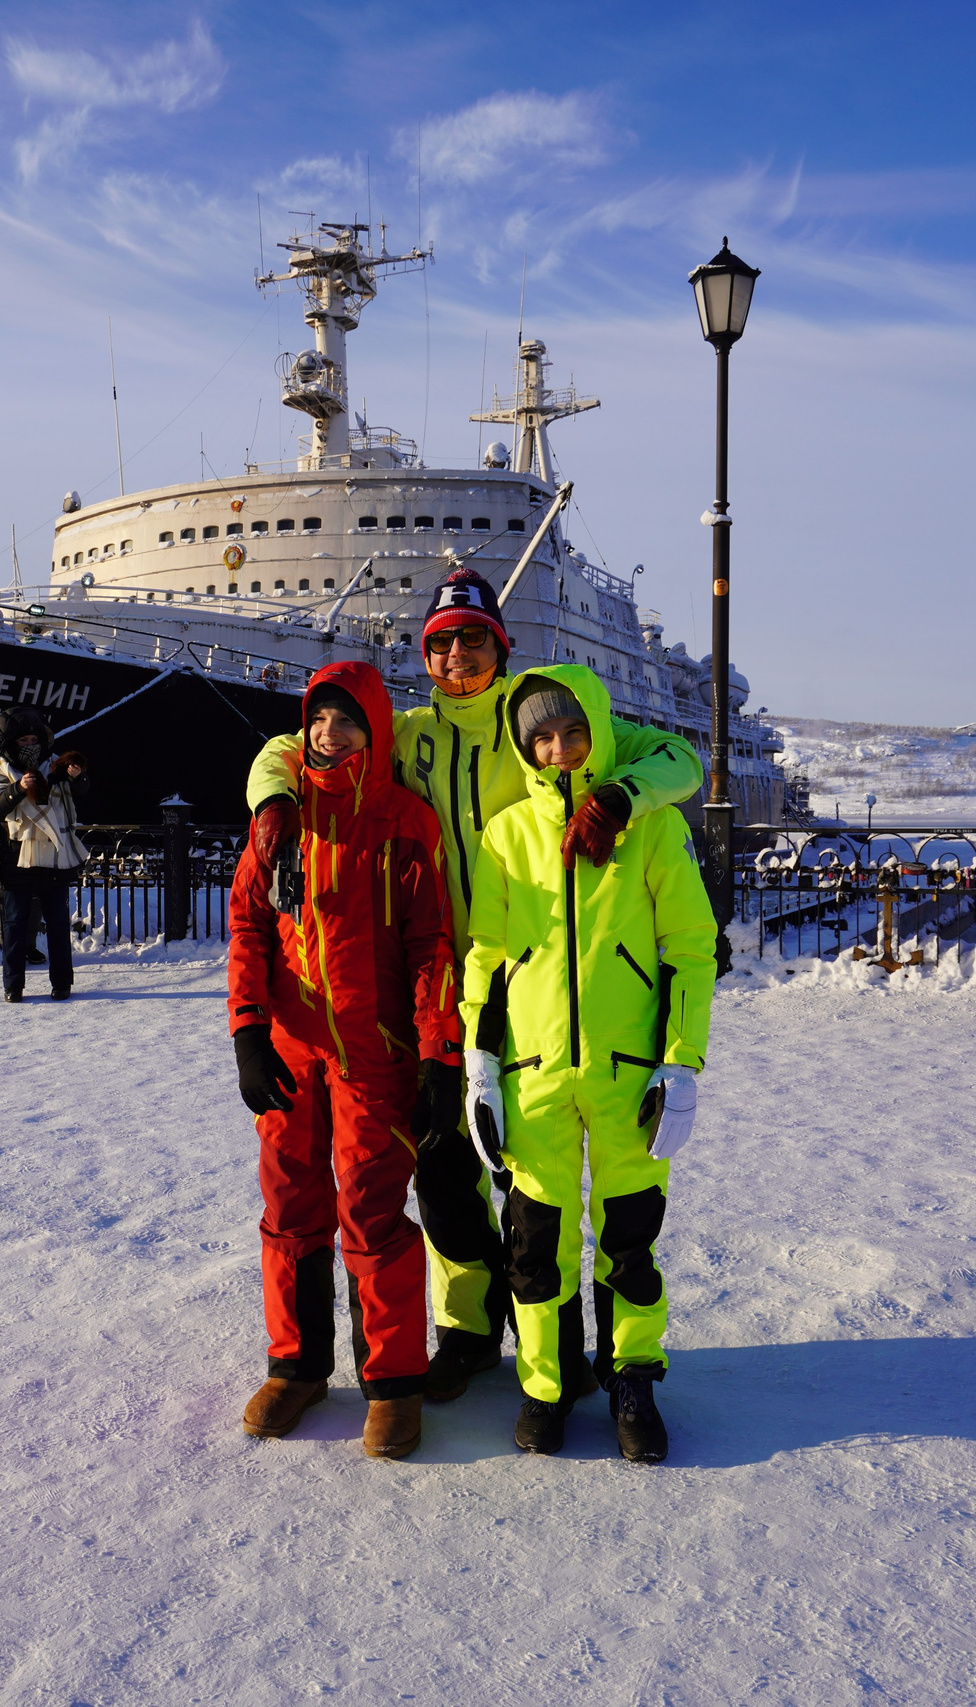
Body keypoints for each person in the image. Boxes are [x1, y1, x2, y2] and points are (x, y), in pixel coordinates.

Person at [243, 567, 704, 1402]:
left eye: (475, 639)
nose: (458, 656)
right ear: (426, 653)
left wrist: (622, 794)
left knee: (534, 1179)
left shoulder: (540, 720)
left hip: (535, 986)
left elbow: (680, 758)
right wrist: (272, 799)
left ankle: (556, 1336)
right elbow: (289, 746)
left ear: (501, 645)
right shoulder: (407, 728)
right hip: (433, 986)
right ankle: (466, 1325)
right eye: (443, 642)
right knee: (446, 1166)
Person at [459, 664, 714, 1464]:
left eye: (573, 732)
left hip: (629, 1074)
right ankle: (545, 1384)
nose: (560, 749)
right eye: (542, 735)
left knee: (629, 1239)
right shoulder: (508, 835)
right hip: (533, 1075)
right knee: (534, 1244)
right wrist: (479, 1060)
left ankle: (633, 1375)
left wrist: (681, 1062)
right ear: (524, 745)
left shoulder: (650, 827)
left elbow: (690, 948)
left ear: (597, 732)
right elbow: (488, 956)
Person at [227, 662, 463, 1461]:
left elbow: (433, 945)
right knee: (290, 1202)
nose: (330, 733)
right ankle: (294, 1365)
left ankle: (393, 1383)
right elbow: (249, 928)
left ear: (375, 729)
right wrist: (248, 1030)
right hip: (292, 1042)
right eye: (318, 719)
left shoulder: (405, 822)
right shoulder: (279, 821)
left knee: (370, 1207)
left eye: (347, 720)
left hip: (376, 1049)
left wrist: (438, 1052)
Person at [0, 705, 89, 1002]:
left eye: (33, 739)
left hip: (54, 856)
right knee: (14, 925)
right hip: (17, 856)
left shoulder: (54, 765)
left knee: (58, 924)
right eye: (23, 740)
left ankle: (62, 984)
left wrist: (76, 778)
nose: (30, 745)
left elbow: (80, 793)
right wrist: (17, 788)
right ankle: (13, 987)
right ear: (10, 743)